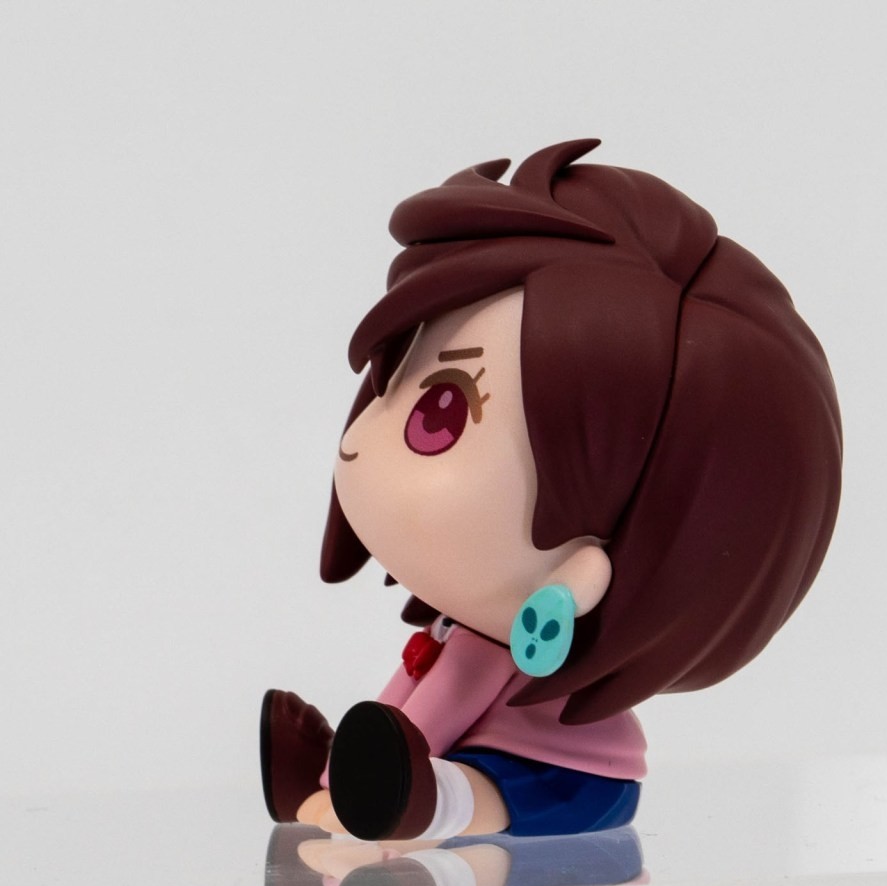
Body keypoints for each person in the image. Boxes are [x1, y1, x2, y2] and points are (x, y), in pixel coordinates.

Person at [260, 139, 842, 841]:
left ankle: (415, 804)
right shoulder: (457, 630)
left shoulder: (488, 649)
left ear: (586, 566)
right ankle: (342, 782)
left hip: (570, 782)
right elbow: (407, 705)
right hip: (450, 745)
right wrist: (338, 777)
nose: (360, 442)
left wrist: (367, 783)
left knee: (476, 787)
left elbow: (432, 717)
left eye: (438, 411)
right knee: (406, 760)